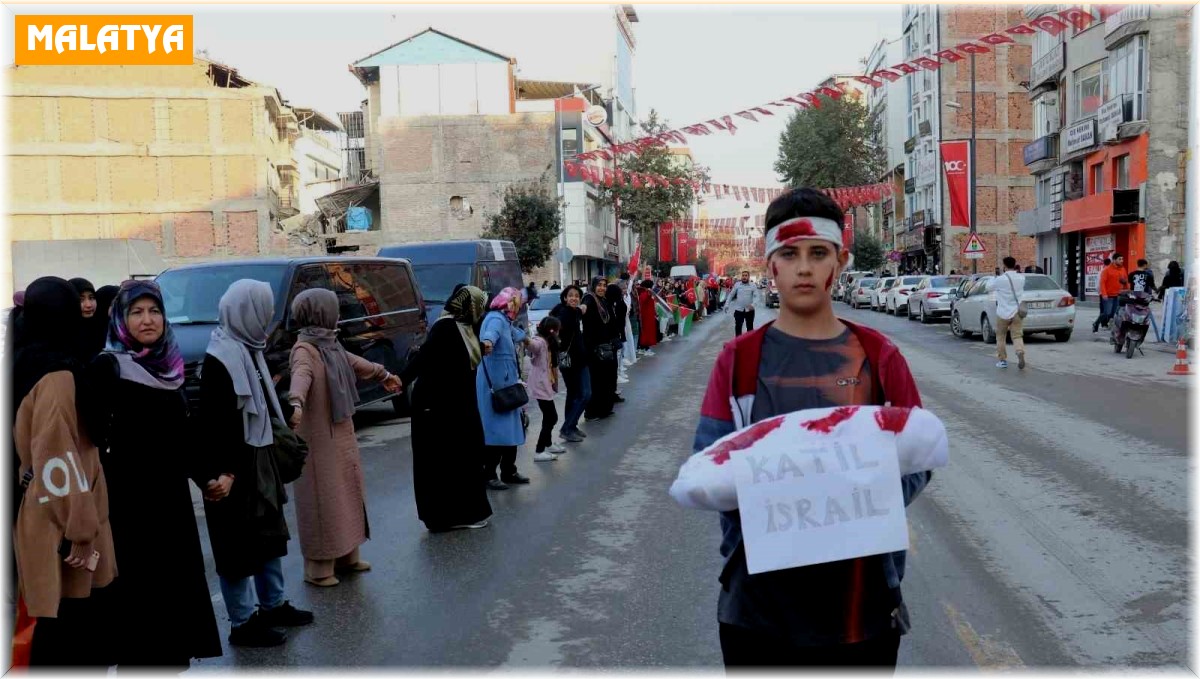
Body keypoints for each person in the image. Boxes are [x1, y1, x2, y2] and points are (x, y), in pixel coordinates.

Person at [691, 188, 930, 669]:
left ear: (838, 262)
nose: (804, 267)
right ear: (770, 264)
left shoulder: (879, 356)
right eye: (790, 253)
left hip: (861, 611)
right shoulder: (738, 362)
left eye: (818, 253)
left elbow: (918, 460)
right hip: (757, 611)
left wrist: (842, 509)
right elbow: (709, 468)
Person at [84, 280, 222, 668]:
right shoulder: (107, 367)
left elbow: (182, 434)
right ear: (122, 319)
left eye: (155, 310)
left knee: (173, 608)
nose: (148, 320)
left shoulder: (169, 366)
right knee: (139, 611)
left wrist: (206, 475)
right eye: (137, 312)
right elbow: (90, 435)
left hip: (170, 504)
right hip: (127, 505)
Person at [200, 280, 313, 648]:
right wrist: (225, 472)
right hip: (234, 466)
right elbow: (216, 423)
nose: (266, 320)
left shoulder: (250, 350)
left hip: (259, 457)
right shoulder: (221, 359)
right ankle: (242, 621)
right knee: (237, 544)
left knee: (268, 534)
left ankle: (272, 604)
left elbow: (261, 401)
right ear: (243, 313)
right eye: (261, 312)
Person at [12, 277, 117, 668]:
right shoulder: (56, 375)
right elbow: (57, 459)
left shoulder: (26, 359)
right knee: (71, 639)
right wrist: (81, 531)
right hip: (64, 526)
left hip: (44, 512)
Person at [287, 289, 402, 587]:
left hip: (340, 430)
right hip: (318, 438)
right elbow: (301, 376)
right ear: (319, 313)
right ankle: (318, 568)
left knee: (348, 492)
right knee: (323, 500)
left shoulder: (329, 343)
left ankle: (348, 554)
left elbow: (354, 363)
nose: (338, 314)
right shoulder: (306, 349)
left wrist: (383, 375)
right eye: (333, 309)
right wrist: (296, 402)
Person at [404, 284, 493, 532]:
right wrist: (399, 381)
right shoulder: (445, 328)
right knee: (445, 462)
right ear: (469, 307)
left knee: (467, 456)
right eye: (479, 305)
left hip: (458, 406)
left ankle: (465, 513)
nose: (482, 311)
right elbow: (424, 358)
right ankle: (447, 517)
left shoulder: (465, 328)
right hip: (438, 407)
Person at [478, 287, 530, 490]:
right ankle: (489, 474)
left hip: (506, 384)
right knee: (496, 433)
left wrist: (527, 338)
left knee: (512, 429)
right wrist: (488, 342)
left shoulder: (504, 320)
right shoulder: (495, 319)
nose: (518, 306)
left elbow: (514, 333)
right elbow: (491, 334)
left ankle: (509, 471)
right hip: (497, 386)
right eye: (516, 302)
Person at [550, 285, 590, 443]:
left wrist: (581, 308)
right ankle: (567, 428)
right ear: (565, 298)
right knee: (584, 394)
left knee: (574, 394)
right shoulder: (564, 314)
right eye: (570, 295)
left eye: (577, 296)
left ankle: (571, 426)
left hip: (580, 359)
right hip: (571, 361)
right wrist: (581, 309)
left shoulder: (572, 312)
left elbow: (580, 310)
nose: (574, 298)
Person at [528, 316, 566, 461]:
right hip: (540, 385)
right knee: (551, 417)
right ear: (552, 330)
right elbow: (533, 346)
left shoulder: (549, 342)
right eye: (557, 329)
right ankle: (539, 450)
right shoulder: (540, 342)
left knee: (549, 417)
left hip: (545, 384)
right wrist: (525, 340)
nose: (558, 332)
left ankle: (548, 444)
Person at [583, 277, 619, 421]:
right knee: (596, 381)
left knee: (608, 379)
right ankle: (592, 411)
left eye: (604, 285)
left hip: (606, 347)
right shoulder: (589, 299)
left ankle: (604, 408)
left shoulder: (604, 301)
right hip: (594, 348)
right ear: (593, 286)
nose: (602, 288)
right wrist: (582, 308)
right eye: (599, 285)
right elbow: (584, 306)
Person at [987, 257, 1027, 370]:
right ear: (1015, 265)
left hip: (1003, 312)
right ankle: (1019, 351)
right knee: (1017, 335)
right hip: (1017, 312)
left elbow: (988, 287)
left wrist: (994, 277)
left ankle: (1002, 360)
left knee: (1001, 337)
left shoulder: (1000, 279)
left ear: (1004, 266)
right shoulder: (1021, 278)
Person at [69, 277, 106, 360]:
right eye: (81, 299)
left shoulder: (101, 328)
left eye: (91, 298)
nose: (88, 305)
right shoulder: (63, 334)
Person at [1094, 254, 1129, 332]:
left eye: (1122, 259)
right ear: (1114, 260)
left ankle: (1113, 327)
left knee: (1114, 313)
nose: (1121, 261)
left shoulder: (1123, 269)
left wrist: (1127, 290)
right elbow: (1102, 283)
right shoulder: (1106, 270)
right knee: (1107, 313)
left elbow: (1125, 281)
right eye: (1119, 259)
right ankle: (1096, 323)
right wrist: (1104, 294)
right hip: (1108, 295)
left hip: (1118, 295)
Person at [728, 270, 758, 337]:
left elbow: (756, 297)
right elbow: (731, 295)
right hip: (739, 310)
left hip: (749, 310)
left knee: (750, 328)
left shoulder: (753, 285)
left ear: (748, 277)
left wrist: (753, 305)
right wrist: (727, 304)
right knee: (738, 327)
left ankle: (749, 344)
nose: (744, 277)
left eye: (746, 275)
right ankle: (738, 344)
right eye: (743, 275)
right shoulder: (737, 285)